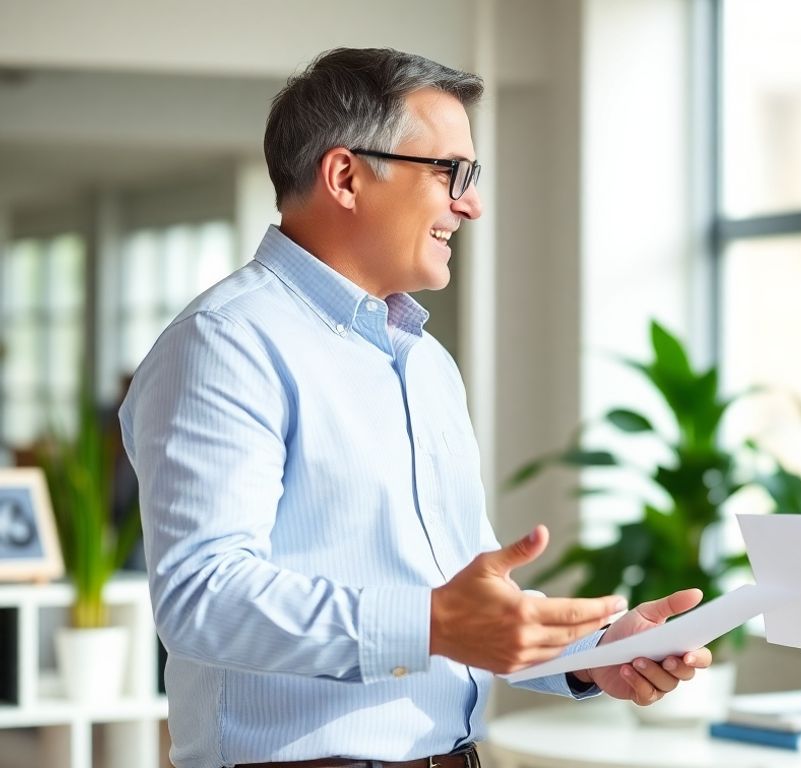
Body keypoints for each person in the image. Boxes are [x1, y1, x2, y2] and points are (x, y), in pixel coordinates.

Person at [120, 47, 711, 768]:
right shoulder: (224, 344)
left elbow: (466, 605)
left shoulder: (425, 362)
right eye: (451, 172)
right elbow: (201, 598)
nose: (472, 202)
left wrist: (592, 656)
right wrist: (429, 626)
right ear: (345, 176)